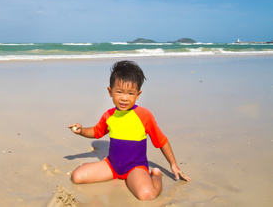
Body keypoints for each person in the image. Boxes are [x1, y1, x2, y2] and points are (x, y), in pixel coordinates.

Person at [68, 60, 190, 201]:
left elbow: (161, 141)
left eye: (130, 93)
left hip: (135, 168)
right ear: (110, 91)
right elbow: (96, 132)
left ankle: (156, 176)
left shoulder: (144, 115)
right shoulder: (109, 115)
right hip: (112, 165)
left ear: (138, 95)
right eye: (119, 92)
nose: (124, 98)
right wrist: (81, 130)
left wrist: (173, 165)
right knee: (76, 177)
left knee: (146, 194)